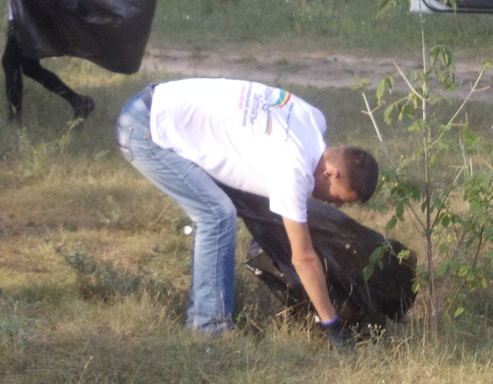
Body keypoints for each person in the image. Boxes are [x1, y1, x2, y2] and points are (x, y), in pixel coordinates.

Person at [115, 78, 378, 343]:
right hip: (145, 130)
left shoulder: (313, 119)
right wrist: (331, 324)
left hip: (158, 101)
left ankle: (209, 317)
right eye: (342, 199)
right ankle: (208, 328)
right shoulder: (294, 170)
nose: (337, 205)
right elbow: (304, 259)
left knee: (232, 208)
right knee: (217, 215)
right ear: (331, 174)